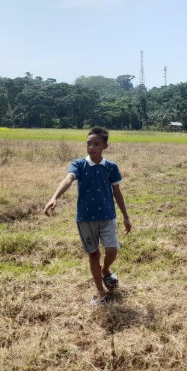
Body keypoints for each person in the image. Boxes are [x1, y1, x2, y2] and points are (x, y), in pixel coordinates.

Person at [44, 126, 132, 306]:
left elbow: (117, 192)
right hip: (85, 218)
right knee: (93, 254)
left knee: (112, 249)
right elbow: (68, 179)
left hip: (107, 216)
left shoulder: (111, 167)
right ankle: (100, 292)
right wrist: (54, 197)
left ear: (104, 146)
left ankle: (105, 269)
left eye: (96, 144)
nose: (91, 147)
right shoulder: (79, 164)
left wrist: (126, 216)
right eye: (88, 143)